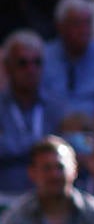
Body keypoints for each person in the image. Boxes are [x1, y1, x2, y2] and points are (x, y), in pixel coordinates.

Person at [40, 0, 94, 120]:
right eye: (77, 24)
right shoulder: (41, 57)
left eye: (88, 23)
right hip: (51, 128)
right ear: (60, 26)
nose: (84, 30)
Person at [0, 31, 60, 201]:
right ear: (7, 66)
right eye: (22, 63)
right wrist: (42, 143)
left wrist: (12, 145)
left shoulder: (56, 105)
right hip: (5, 195)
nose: (31, 69)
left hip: (51, 197)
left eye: (37, 62)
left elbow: (69, 146)